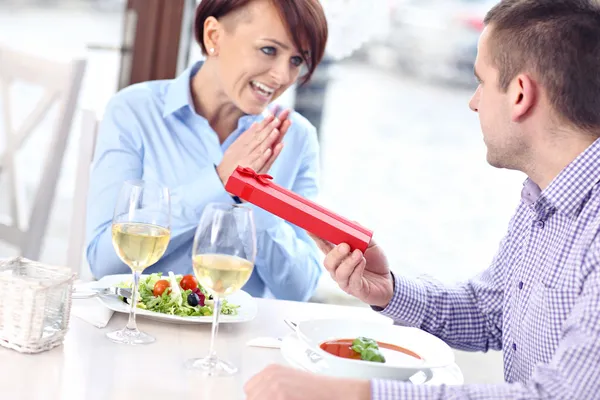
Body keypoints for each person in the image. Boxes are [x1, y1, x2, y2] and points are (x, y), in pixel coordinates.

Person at [244, 0, 600, 398]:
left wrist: (356, 394)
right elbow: (490, 312)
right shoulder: (542, 199)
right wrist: (389, 290)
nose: (474, 101)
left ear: (520, 95)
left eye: (481, 81)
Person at [85, 0, 329, 301]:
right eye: (269, 50)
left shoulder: (296, 137)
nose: (282, 76)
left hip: (236, 340)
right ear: (214, 36)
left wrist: (258, 202)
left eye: (296, 60)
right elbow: (103, 263)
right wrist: (219, 181)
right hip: (140, 329)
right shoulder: (135, 112)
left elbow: (299, 291)